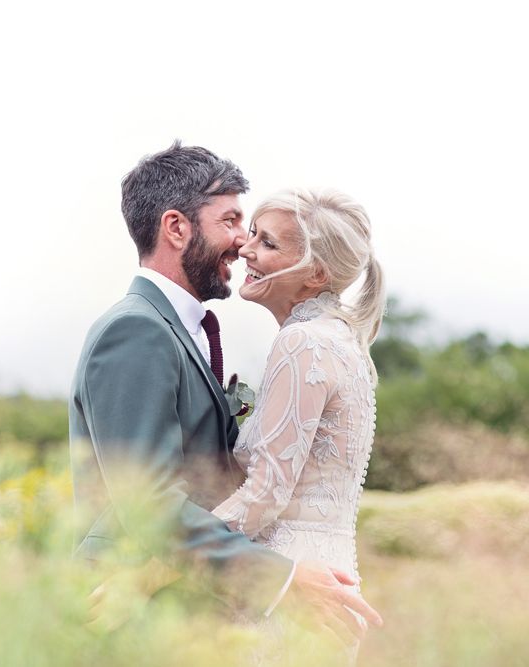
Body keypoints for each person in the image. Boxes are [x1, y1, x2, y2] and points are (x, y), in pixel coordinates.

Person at [69, 142, 382, 644]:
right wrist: (278, 577)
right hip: (132, 613)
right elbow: (148, 501)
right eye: (233, 222)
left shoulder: (292, 340)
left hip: (204, 606)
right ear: (177, 228)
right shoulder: (136, 331)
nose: (242, 243)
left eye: (256, 233)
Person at [211, 187, 386, 662]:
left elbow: (266, 493)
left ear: (316, 274)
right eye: (251, 236)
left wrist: (166, 558)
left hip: (290, 584)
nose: (245, 249)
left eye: (267, 243)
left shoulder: (303, 343)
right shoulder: (343, 342)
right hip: (328, 569)